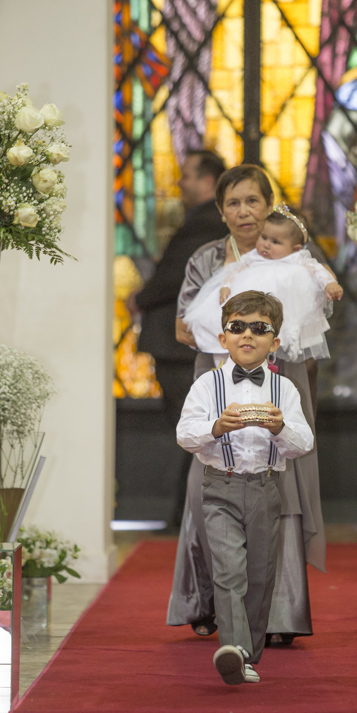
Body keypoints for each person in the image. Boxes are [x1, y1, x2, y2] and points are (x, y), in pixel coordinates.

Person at [167, 164, 335, 643]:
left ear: (269, 204)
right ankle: (207, 601)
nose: (244, 212)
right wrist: (236, 344)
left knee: (281, 485)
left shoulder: (297, 251)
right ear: (221, 211)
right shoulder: (205, 258)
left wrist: (269, 348)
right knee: (208, 485)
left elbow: (318, 316)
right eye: (233, 203)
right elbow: (182, 326)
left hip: (284, 376)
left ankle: (278, 615)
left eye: (253, 201)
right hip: (218, 377)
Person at [176, 291, 313, 684]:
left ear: (275, 341)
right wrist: (215, 427)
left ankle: (247, 656)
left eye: (259, 328)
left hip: (266, 489)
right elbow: (185, 434)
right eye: (237, 327)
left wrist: (280, 428)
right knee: (228, 572)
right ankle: (233, 651)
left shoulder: (284, 389)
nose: (247, 334)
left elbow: (304, 443)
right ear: (223, 338)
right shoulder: (208, 384)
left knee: (259, 576)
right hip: (220, 487)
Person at [127, 150, 228, 525]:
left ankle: (191, 516)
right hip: (181, 346)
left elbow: (175, 277)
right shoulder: (202, 222)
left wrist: (139, 298)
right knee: (195, 430)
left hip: (179, 346)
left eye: (186, 175)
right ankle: (188, 515)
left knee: (195, 431)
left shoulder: (204, 224)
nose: (179, 183)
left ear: (207, 181)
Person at [183, 204, 343, 361]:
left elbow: (317, 270)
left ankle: (269, 355)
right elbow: (235, 270)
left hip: (279, 307)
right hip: (246, 303)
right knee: (222, 322)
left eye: (275, 242)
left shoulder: (296, 258)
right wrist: (226, 285)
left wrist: (329, 284)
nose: (266, 244)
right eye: (264, 237)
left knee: (267, 334)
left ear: (295, 248)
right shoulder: (254, 257)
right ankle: (225, 360)